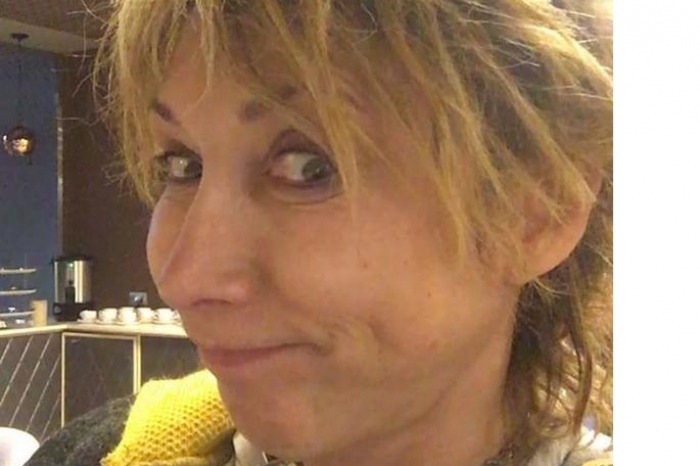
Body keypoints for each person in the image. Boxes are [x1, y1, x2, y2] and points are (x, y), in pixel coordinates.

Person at [27, 0, 613, 465]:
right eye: (183, 164)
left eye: (309, 166)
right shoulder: (103, 452)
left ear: (538, 212)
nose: (185, 278)